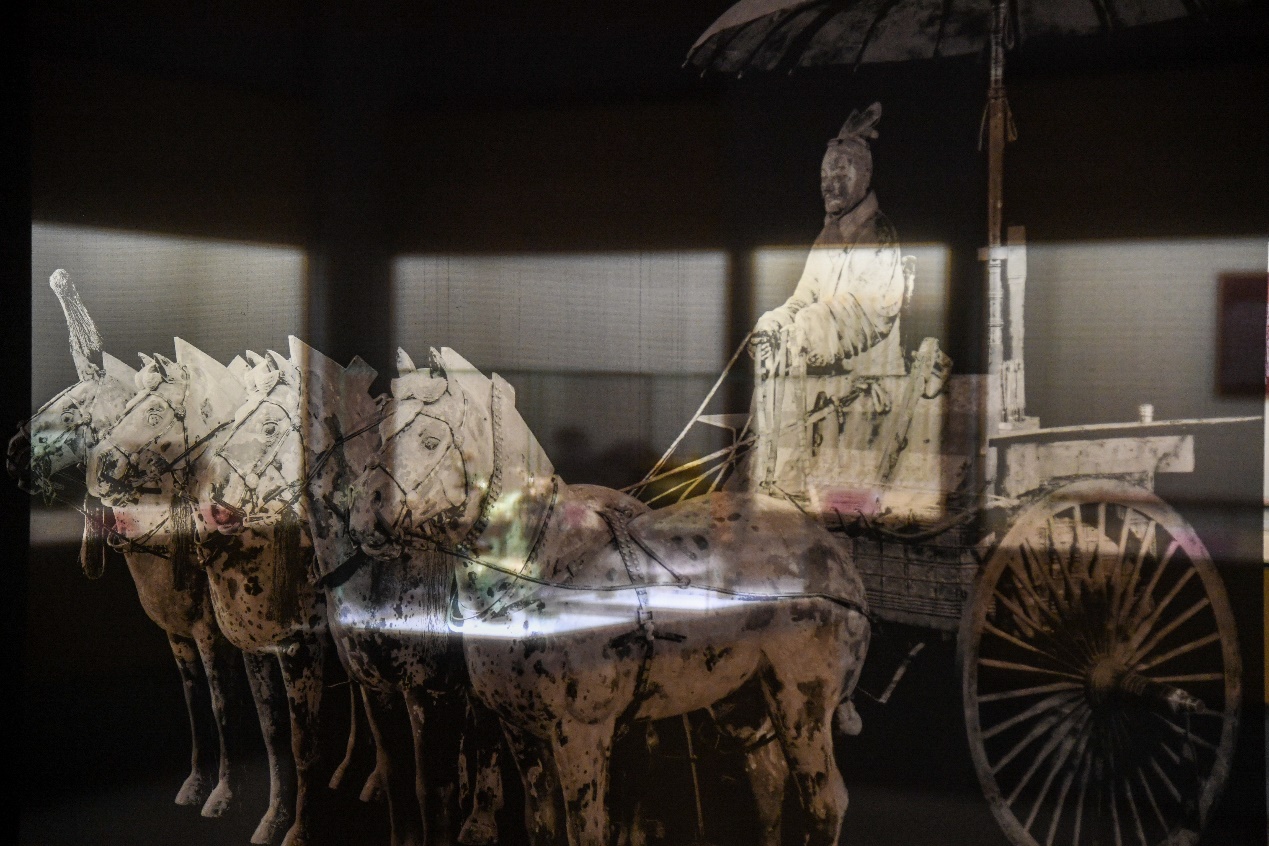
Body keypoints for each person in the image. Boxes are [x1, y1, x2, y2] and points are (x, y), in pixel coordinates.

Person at [749, 102, 914, 494]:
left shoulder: (878, 233)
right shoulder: (827, 236)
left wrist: (806, 330)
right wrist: (775, 323)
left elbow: (868, 314)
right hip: (822, 385)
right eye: (825, 174)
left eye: (840, 173)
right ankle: (769, 478)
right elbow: (803, 297)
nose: (828, 183)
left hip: (867, 391)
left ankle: (788, 486)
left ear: (862, 177)